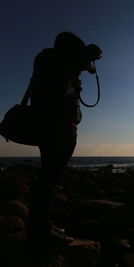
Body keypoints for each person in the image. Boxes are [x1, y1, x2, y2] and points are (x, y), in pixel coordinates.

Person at [27, 32, 102, 243]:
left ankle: (40, 226)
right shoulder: (56, 60)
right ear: (69, 48)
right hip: (56, 127)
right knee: (48, 180)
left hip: (52, 125)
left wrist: (85, 65)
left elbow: (83, 65)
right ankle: (39, 231)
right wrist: (90, 53)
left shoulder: (49, 60)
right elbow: (85, 57)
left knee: (48, 178)